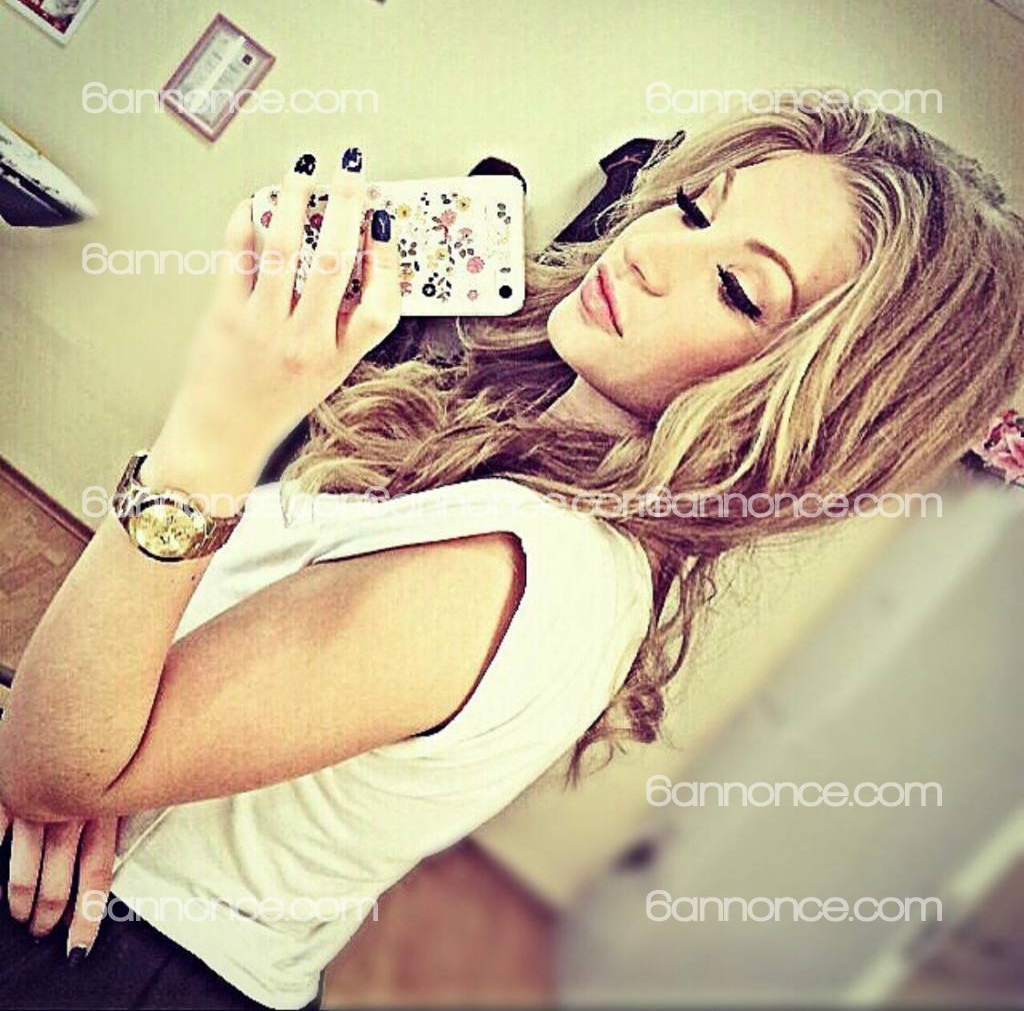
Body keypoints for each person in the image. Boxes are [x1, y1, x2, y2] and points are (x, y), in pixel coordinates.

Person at [1, 92, 1022, 1009]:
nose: (649, 251)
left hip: (90, 955)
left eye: (737, 289)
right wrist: (117, 748)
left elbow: (52, 767)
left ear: (809, 408)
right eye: (692, 207)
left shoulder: (518, 568)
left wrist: (214, 426)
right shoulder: (524, 475)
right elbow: (98, 739)